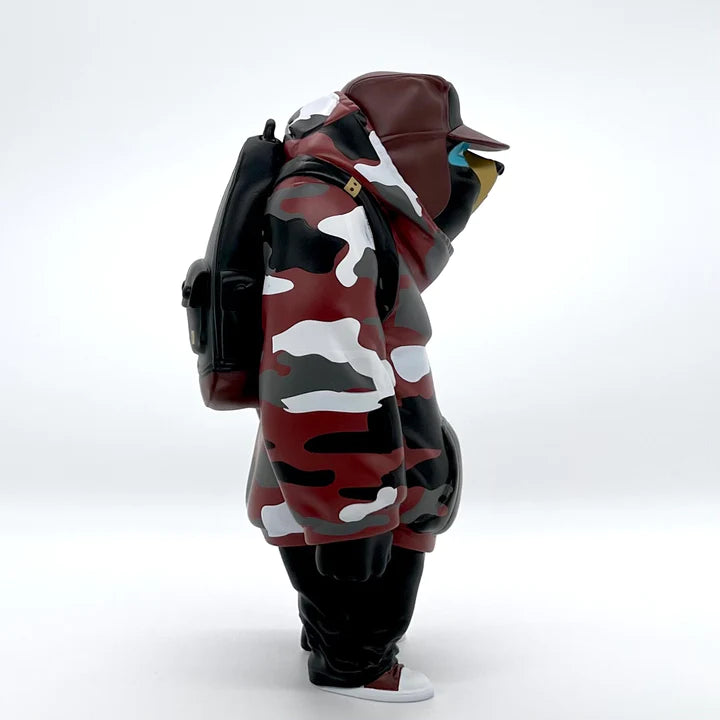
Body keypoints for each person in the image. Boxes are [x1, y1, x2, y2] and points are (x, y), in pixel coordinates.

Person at [245, 71, 508, 702]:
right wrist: (352, 520)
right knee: (364, 560)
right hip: (351, 468)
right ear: (410, 148)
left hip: (358, 451)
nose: (471, 174)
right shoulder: (326, 206)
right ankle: (355, 662)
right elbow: (322, 377)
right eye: (454, 155)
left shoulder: (349, 194)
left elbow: (366, 313)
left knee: (371, 528)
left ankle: (336, 632)